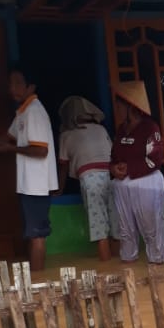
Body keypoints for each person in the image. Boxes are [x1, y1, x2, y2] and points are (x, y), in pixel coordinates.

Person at [0, 65, 58, 272]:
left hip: (37, 185)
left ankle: (37, 283)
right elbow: (7, 137)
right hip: (28, 185)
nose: (13, 88)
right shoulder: (23, 112)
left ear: (31, 86)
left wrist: (10, 149)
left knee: (37, 235)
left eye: (18, 83)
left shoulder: (35, 112)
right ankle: (35, 281)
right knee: (32, 234)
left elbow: (40, 151)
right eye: (11, 83)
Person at [110, 81, 164, 265]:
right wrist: (114, 168)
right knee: (125, 230)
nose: (116, 107)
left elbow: (155, 159)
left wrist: (130, 168)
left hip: (147, 183)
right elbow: (114, 155)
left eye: (119, 104)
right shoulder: (121, 129)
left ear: (130, 106)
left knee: (152, 228)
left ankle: (157, 266)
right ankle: (129, 267)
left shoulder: (150, 128)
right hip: (123, 185)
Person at [57, 96, 119, 262]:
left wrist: (59, 190)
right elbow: (114, 154)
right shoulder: (101, 130)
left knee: (100, 230)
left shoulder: (66, 135)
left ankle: (107, 269)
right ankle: (119, 268)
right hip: (111, 177)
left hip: (90, 179)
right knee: (115, 227)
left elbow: (63, 166)